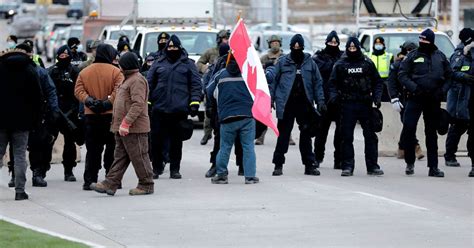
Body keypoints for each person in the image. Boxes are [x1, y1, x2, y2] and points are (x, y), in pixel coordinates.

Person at [90, 52, 154, 196]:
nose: (119, 66)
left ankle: (146, 184)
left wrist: (126, 123)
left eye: (121, 64)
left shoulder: (137, 80)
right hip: (122, 128)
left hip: (134, 128)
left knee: (139, 156)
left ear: (126, 65)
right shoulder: (127, 79)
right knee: (119, 157)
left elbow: (138, 104)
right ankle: (110, 183)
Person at [398, 29, 453, 177]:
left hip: (433, 99)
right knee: (409, 128)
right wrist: (414, 88)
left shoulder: (440, 57)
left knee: (431, 133)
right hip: (415, 97)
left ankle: (433, 167)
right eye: (421, 40)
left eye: (426, 41)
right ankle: (410, 162)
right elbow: (402, 74)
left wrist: (442, 91)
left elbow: (449, 76)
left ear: (431, 41)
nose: (423, 43)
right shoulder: (412, 55)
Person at [269, 34, 325, 176]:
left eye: (299, 47)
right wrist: (270, 100)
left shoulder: (310, 63)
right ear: (290, 47)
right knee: (283, 135)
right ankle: (278, 164)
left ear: (302, 47)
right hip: (286, 104)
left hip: (304, 104)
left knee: (306, 136)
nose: (296, 49)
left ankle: (309, 165)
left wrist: (321, 102)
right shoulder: (283, 62)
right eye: (294, 47)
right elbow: (273, 82)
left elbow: (318, 83)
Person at [328, 37, 384, 177]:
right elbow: (332, 83)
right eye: (350, 48)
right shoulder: (340, 64)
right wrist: (334, 97)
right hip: (347, 104)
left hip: (365, 103)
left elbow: (377, 82)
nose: (352, 50)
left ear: (358, 48)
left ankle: (372, 166)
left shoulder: (367, 63)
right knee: (346, 137)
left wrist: (377, 98)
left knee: (370, 136)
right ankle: (347, 166)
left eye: (354, 48)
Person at [147, 35, 201, 179]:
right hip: (159, 109)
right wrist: (148, 102)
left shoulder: (188, 64)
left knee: (176, 142)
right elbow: (149, 85)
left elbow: (196, 84)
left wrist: (194, 103)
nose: (172, 49)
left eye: (174, 47)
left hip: (179, 110)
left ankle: (174, 169)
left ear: (179, 47)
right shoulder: (158, 63)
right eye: (169, 47)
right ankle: (156, 168)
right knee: (156, 141)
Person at [6, 44, 59, 188]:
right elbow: (49, 92)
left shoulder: (5, 69)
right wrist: (52, 112)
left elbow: (50, 91)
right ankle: (25, 179)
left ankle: (25, 175)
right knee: (25, 149)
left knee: (19, 148)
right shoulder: (34, 71)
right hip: (29, 117)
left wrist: (53, 111)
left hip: (13, 118)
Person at [75, 44, 124, 190]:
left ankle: (89, 180)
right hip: (111, 116)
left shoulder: (85, 72)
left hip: (91, 116)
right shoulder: (116, 72)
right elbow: (119, 90)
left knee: (93, 150)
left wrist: (89, 101)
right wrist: (107, 103)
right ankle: (112, 180)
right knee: (111, 149)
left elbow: (78, 90)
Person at [207, 52, 259, 184]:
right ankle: (250, 176)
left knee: (225, 146)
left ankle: (222, 175)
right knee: (248, 147)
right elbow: (259, 89)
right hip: (247, 116)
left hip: (227, 117)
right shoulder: (248, 74)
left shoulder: (221, 74)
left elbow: (208, 90)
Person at [0, 48, 43, 200]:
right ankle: (20, 191)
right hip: (23, 122)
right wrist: (36, 121)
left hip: (1, 121)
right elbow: (38, 98)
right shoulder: (30, 70)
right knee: (19, 156)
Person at [203, 43, 244, 178]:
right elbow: (209, 83)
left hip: (240, 105)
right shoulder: (220, 63)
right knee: (219, 138)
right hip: (220, 106)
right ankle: (216, 165)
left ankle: (242, 166)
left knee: (240, 138)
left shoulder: (244, 63)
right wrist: (209, 105)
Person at [46, 45, 82, 183]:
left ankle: (69, 171)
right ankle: (41, 170)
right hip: (54, 112)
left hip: (70, 113)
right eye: (61, 56)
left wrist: (76, 110)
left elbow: (79, 92)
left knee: (70, 143)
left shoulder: (75, 72)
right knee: (47, 140)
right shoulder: (51, 71)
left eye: (66, 56)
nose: (64, 59)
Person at [255, 34, 295, 146]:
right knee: (264, 113)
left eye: (277, 42)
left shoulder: (285, 57)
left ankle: (288, 137)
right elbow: (258, 72)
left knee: (286, 114)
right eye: (273, 43)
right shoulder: (264, 58)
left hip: (282, 89)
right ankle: (260, 137)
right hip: (268, 89)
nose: (275, 44)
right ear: (269, 44)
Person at [311, 30, 343, 169]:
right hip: (323, 99)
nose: (333, 44)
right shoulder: (319, 57)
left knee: (340, 133)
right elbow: (315, 74)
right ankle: (317, 157)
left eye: (335, 43)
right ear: (326, 43)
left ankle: (339, 159)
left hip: (339, 99)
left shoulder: (343, 56)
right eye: (331, 42)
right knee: (321, 132)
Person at [387, 41, 424, 160]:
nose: (409, 52)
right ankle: (416, 146)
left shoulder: (418, 63)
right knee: (407, 123)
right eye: (407, 50)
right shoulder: (397, 64)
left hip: (414, 97)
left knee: (408, 125)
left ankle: (402, 147)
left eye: (411, 50)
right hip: (401, 98)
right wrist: (394, 98)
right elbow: (391, 82)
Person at [445, 28, 473, 167]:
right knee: (458, 127)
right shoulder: (459, 55)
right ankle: (449, 155)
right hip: (460, 99)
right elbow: (452, 72)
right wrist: (465, 76)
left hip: (471, 97)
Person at [197, 30, 230, 146]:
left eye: (228, 38)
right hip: (212, 85)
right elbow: (199, 63)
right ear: (219, 39)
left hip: (226, 87)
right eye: (225, 38)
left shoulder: (232, 52)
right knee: (209, 112)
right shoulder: (211, 52)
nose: (227, 40)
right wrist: (206, 69)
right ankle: (207, 133)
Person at [367, 36, 393, 101]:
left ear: (383, 45)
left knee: (386, 103)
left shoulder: (389, 56)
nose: (378, 46)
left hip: (385, 83)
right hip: (372, 82)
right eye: (376, 44)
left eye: (380, 44)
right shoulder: (368, 56)